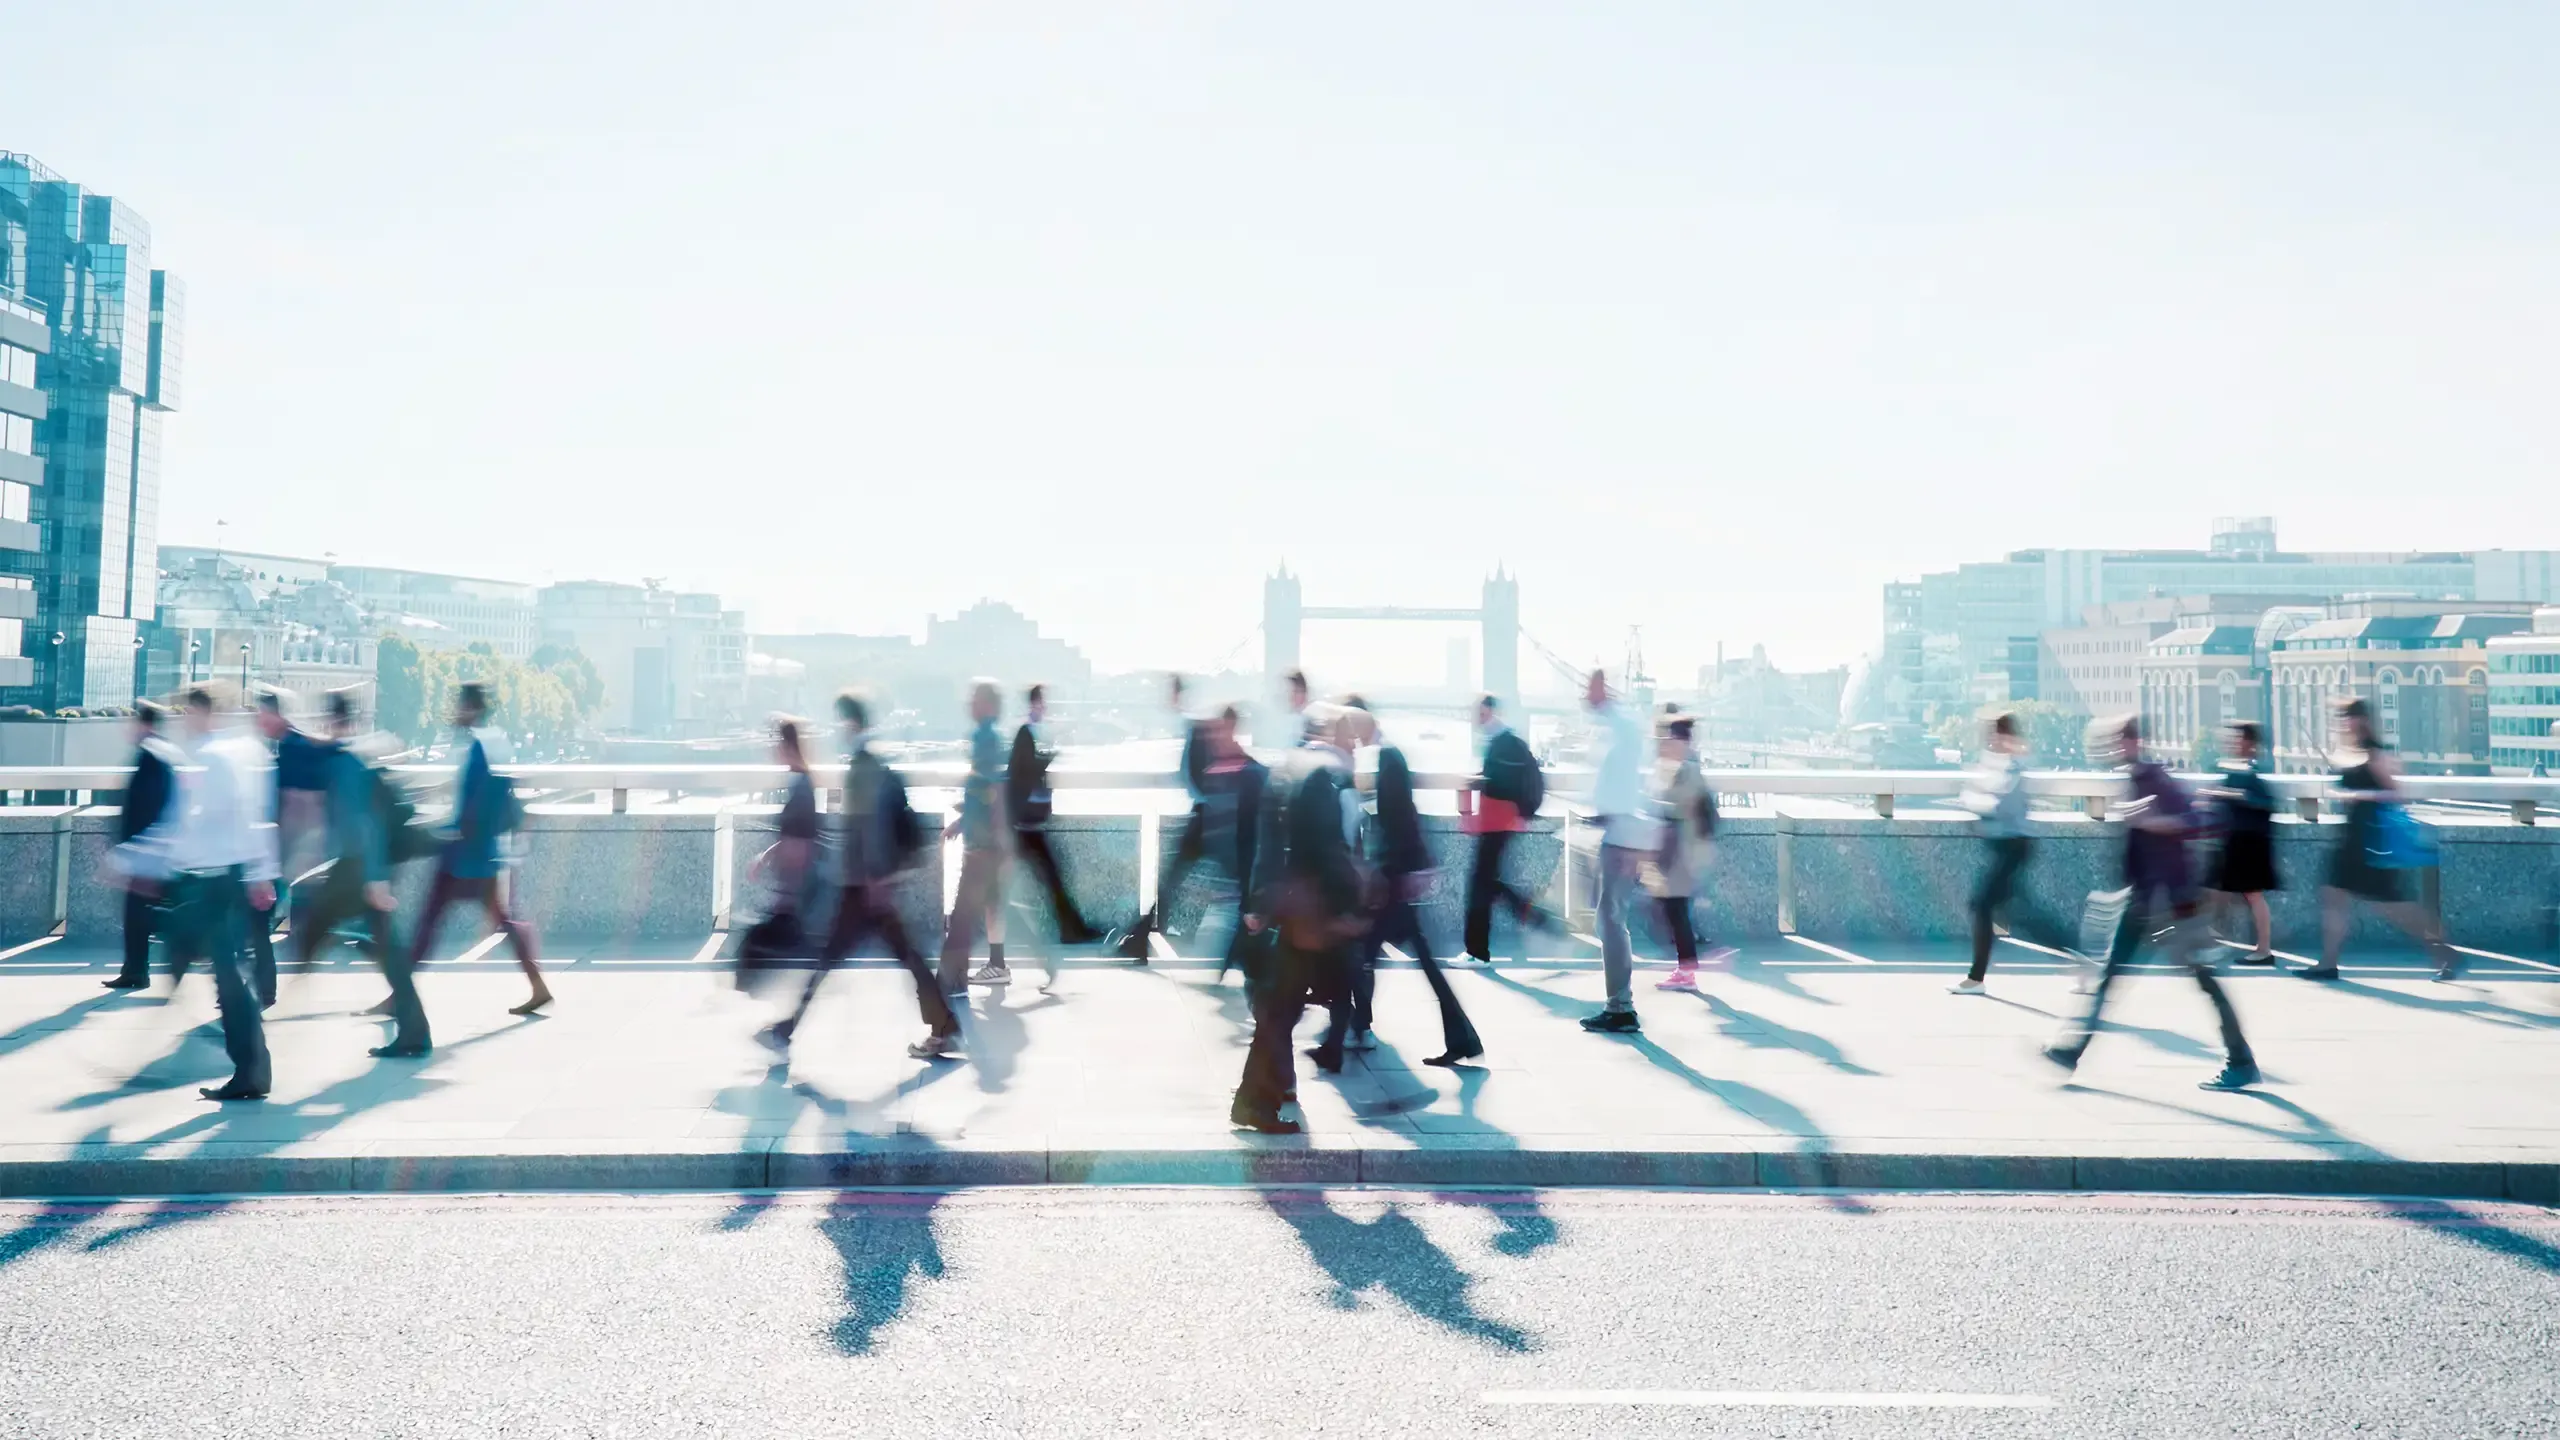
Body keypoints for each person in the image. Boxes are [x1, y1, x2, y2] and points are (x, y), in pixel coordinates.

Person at [2045, 717, 2261, 1092]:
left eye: (2122, 741)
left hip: (2174, 907)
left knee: (2204, 979)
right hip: (2144, 903)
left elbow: (2198, 820)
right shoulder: (2135, 779)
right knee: (2110, 977)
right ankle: (2071, 1051)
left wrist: (2154, 820)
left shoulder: (2157, 779)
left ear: (2137, 742)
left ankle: (2241, 1060)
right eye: (2114, 742)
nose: (2116, 748)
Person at [760, 692, 962, 1061]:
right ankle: (944, 1027)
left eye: (841, 721)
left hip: (866, 886)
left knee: (851, 957)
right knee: (884, 956)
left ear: (851, 723)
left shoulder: (863, 766)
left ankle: (785, 1031)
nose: (838, 729)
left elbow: (871, 826)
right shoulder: (867, 762)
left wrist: (874, 879)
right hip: (866, 885)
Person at [111, 685, 279, 1101]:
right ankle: (249, 1067)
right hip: (222, 879)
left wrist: (134, 860)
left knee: (226, 976)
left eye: (188, 713)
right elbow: (248, 819)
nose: (184, 720)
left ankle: (250, 1069)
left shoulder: (211, 759)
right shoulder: (233, 754)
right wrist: (260, 873)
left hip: (214, 883)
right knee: (220, 971)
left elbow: (188, 824)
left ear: (203, 713)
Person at [1232, 706, 1365, 1133]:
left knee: (1280, 1009)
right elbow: (1326, 850)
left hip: (1290, 909)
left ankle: (1258, 1098)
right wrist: (1348, 908)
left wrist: (1259, 902)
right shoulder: (1324, 779)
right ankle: (1257, 1100)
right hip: (1310, 916)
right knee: (1282, 1010)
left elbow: (1266, 843)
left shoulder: (1288, 768)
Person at [406, 682, 551, 1016]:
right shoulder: (492, 743)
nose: (456, 711)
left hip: (464, 856)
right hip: (483, 855)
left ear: (471, 708)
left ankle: (399, 992)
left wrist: (449, 834)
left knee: (428, 923)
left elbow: (472, 807)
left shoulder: (475, 749)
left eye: (460, 705)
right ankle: (538, 986)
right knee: (499, 920)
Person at [292, 692, 418, 1055]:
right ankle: (414, 1033)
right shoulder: (354, 756)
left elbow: (365, 824)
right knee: (384, 948)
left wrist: (374, 878)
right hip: (360, 865)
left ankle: (284, 995)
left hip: (358, 867)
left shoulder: (347, 763)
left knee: (317, 927)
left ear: (333, 722)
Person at [1359, 710, 1482, 1066]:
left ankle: (1352, 1030)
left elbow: (1400, 816)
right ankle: (1461, 1038)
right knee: (1400, 959)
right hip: (1395, 876)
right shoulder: (1386, 758)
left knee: (1367, 955)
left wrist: (1409, 869)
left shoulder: (1387, 759)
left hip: (1393, 880)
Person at [2302, 697, 2455, 981]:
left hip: (2371, 841)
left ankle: (2444, 952)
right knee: (2333, 895)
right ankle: (2328, 962)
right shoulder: (2354, 751)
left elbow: (2397, 794)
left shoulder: (2375, 752)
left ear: (2362, 720)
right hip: (2351, 838)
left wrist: (2360, 795)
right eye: (2342, 718)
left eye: (2348, 717)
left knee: (2394, 906)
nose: (2344, 723)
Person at [1004, 683, 1101, 975]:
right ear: (1035, 703)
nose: (1045, 706)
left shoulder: (1033, 732)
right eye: (1042, 701)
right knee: (1046, 878)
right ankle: (1068, 933)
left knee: (1050, 877)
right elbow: (1022, 771)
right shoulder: (1026, 733)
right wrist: (1049, 757)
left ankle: (1071, 930)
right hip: (1023, 825)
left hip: (1028, 822)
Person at [1117, 673, 1214, 963]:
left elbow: (1197, 775)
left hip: (1208, 815)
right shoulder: (1195, 725)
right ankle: (1140, 938)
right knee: (1174, 879)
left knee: (1173, 879)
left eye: (1169, 693)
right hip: (1206, 813)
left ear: (1177, 695)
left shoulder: (1197, 726)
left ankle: (1139, 939)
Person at [1581, 670, 1657, 1035]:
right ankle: (1620, 1005)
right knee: (1609, 919)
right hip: (1620, 834)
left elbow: (1629, 736)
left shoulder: (1625, 734)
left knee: (1611, 920)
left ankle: (1621, 1008)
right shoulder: (1620, 737)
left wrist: (1606, 703)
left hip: (1625, 838)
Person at [248, 688, 333, 1008]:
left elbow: (301, 803)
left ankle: (261, 989)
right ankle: (259, 987)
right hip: (292, 853)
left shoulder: (294, 749)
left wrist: (289, 858)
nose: (258, 721)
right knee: (262, 921)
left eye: (261, 714)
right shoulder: (294, 744)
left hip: (290, 854)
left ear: (276, 714)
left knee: (259, 920)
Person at [1459, 694, 1552, 964]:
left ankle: (1478, 951)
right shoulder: (1500, 740)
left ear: (1489, 711)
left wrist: (1479, 784)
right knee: (1487, 883)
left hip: (1497, 822)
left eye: (1479, 712)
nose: (1476, 717)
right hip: (1499, 822)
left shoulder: (1503, 742)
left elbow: (1501, 784)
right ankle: (1531, 915)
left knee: (1480, 885)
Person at [1950, 712, 2032, 996]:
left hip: (2013, 847)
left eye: (1996, 735)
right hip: (2004, 846)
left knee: (1981, 905)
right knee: (2022, 913)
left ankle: (1976, 978)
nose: (1992, 741)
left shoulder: (2014, 765)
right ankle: (2079, 961)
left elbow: (2000, 805)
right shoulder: (2001, 763)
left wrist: (1975, 802)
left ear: (2006, 735)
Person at [1649, 715, 1732, 992]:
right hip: (1681, 850)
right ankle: (1686, 967)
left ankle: (1687, 970)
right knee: (1673, 908)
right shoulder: (1683, 767)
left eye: (1670, 739)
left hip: (1683, 852)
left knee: (1675, 908)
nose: (1665, 743)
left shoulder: (1687, 770)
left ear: (1681, 741)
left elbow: (1677, 807)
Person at [945, 680, 1018, 990]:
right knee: (991, 904)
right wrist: (962, 822)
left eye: (974, 699)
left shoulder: (984, 738)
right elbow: (984, 792)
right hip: (985, 838)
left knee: (966, 913)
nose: (969, 704)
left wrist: (994, 835)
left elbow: (992, 789)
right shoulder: (991, 737)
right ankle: (997, 964)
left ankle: (951, 978)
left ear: (987, 704)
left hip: (983, 843)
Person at [102, 701, 178, 990]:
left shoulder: (150, 757)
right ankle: (135, 969)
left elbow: (145, 810)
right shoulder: (163, 753)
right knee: (142, 915)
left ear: (144, 724)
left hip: (147, 854)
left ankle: (137, 970)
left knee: (143, 915)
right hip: (154, 853)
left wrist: (130, 854)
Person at [736, 716, 820, 972]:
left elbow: (800, 840)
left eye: (775, 743)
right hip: (793, 884)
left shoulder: (802, 787)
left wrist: (788, 891)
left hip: (794, 884)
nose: (772, 749)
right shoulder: (801, 782)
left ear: (786, 746)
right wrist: (768, 856)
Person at [2206, 720, 2279, 965]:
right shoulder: (2236, 768)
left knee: (2252, 895)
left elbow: (2265, 801)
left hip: (2251, 840)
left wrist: (2228, 794)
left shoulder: (2254, 769)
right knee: (2217, 890)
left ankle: (2264, 950)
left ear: (2249, 742)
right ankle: (2212, 939)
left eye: (2236, 738)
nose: (2232, 743)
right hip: (2235, 838)